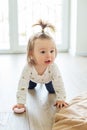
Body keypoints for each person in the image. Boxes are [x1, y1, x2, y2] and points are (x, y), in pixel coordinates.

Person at [13, 20, 68, 112]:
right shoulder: (28, 67)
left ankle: (47, 86)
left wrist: (61, 99)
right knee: (30, 87)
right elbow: (22, 84)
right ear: (31, 53)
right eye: (43, 52)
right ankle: (33, 84)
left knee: (52, 91)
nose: (49, 56)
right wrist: (20, 103)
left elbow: (59, 83)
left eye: (52, 51)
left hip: (49, 80)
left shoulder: (53, 67)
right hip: (32, 78)